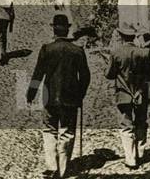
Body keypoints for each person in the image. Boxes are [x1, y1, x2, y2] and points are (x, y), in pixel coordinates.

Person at [26, 14, 91, 179]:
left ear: (53, 29)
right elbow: (85, 77)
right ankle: (63, 169)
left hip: (49, 97)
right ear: (68, 29)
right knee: (67, 132)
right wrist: (80, 95)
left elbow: (38, 74)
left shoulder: (47, 49)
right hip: (70, 99)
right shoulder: (77, 51)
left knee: (49, 130)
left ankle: (51, 166)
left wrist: (30, 94)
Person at [106, 20, 150, 169]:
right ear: (134, 37)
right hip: (141, 94)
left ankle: (130, 159)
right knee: (141, 123)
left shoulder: (116, 53)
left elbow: (109, 75)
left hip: (123, 95)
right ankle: (140, 154)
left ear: (121, 36)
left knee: (126, 125)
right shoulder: (145, 52)